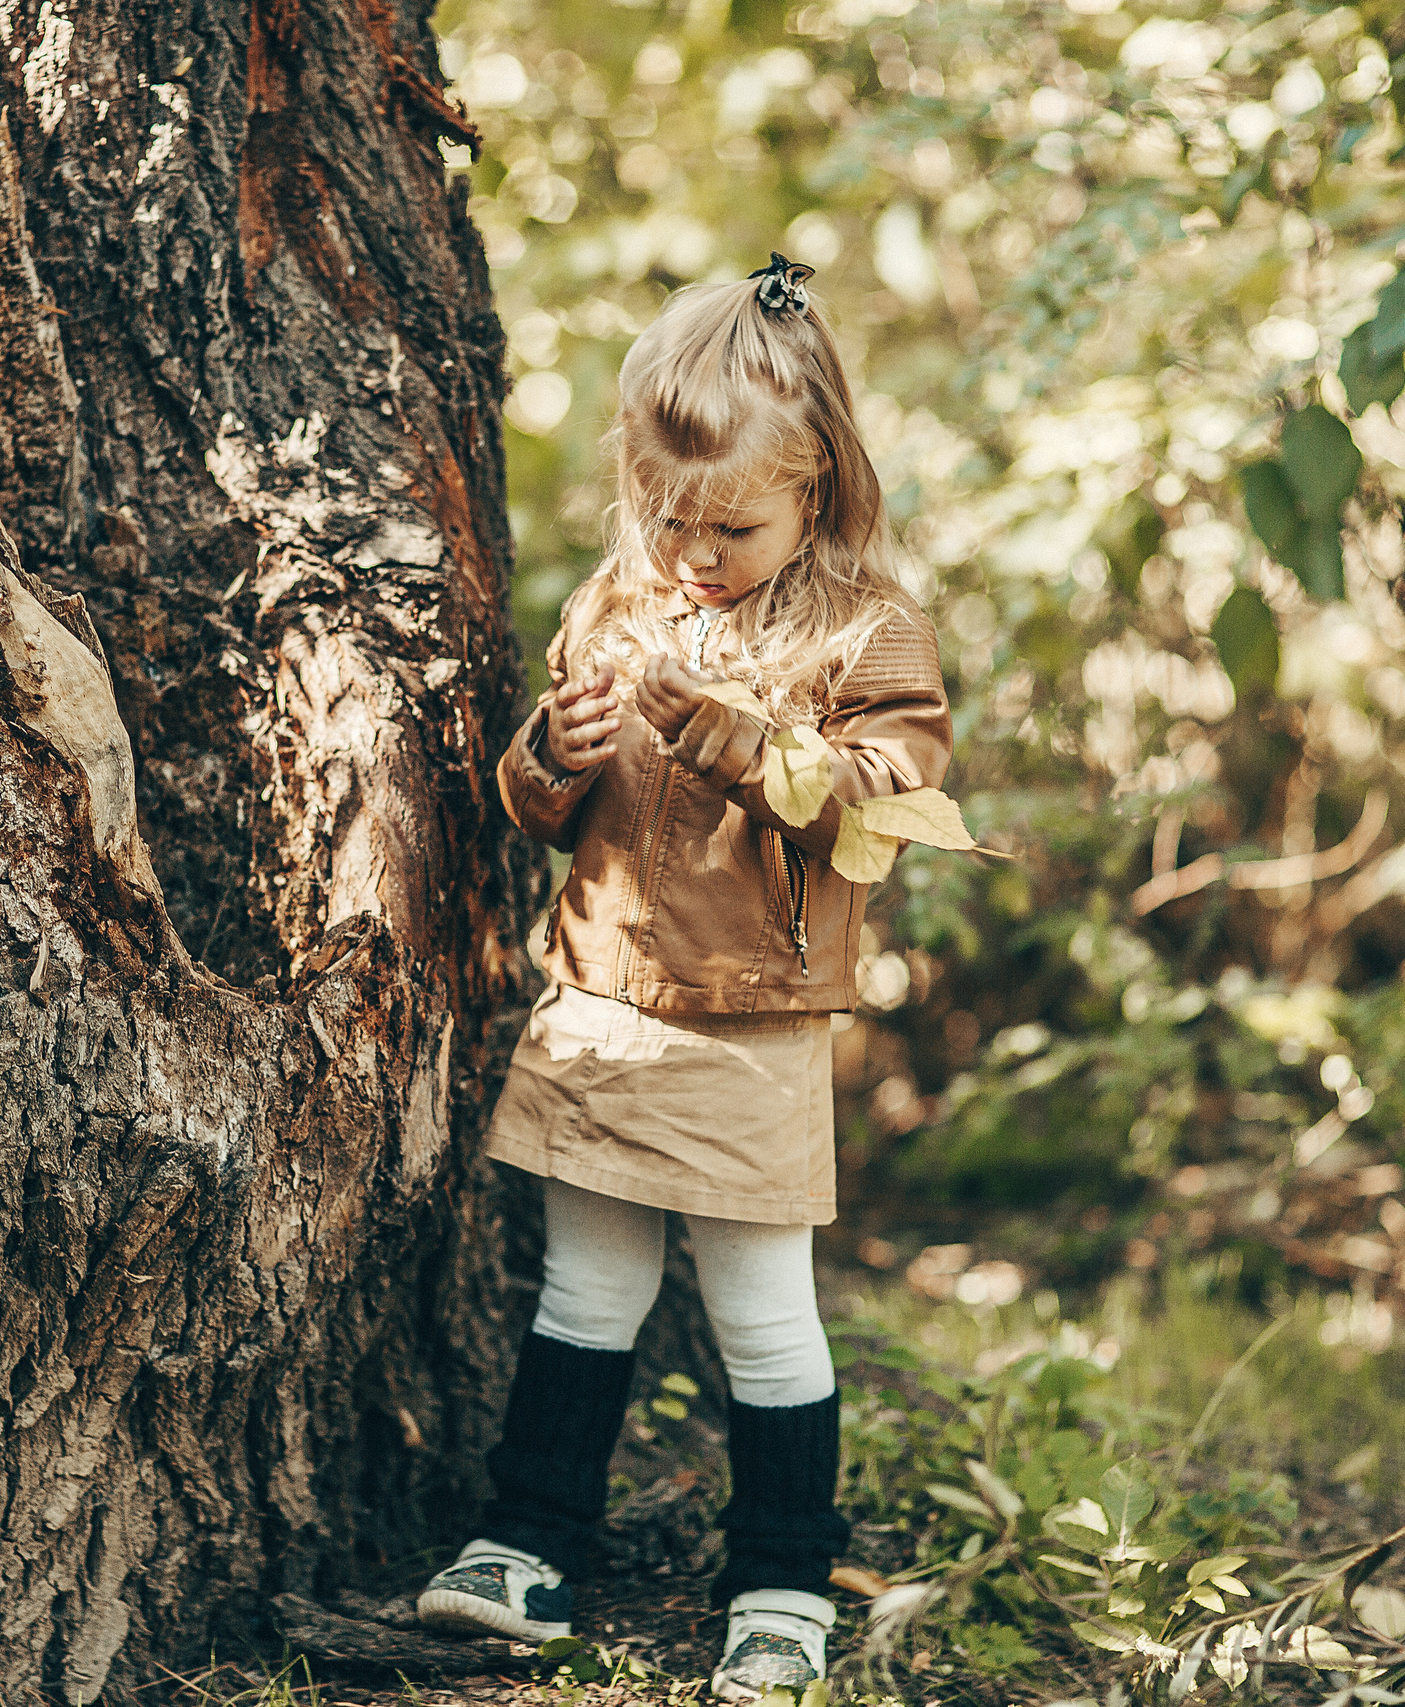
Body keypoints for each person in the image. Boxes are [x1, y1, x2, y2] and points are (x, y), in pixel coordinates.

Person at [413, 255, 954, 1700]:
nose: (694, 553)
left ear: (817, 489)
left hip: (752, 1025)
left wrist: (727, 734)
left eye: (732, 525)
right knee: (584, 1287)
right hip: (600, 1005)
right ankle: (527, 1544)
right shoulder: (619, 599)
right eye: (669, 517)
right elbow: (539, 809)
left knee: (761, 1309)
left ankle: (782, 1576)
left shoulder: (867, 631)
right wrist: (553, 753)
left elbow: (878, 806)